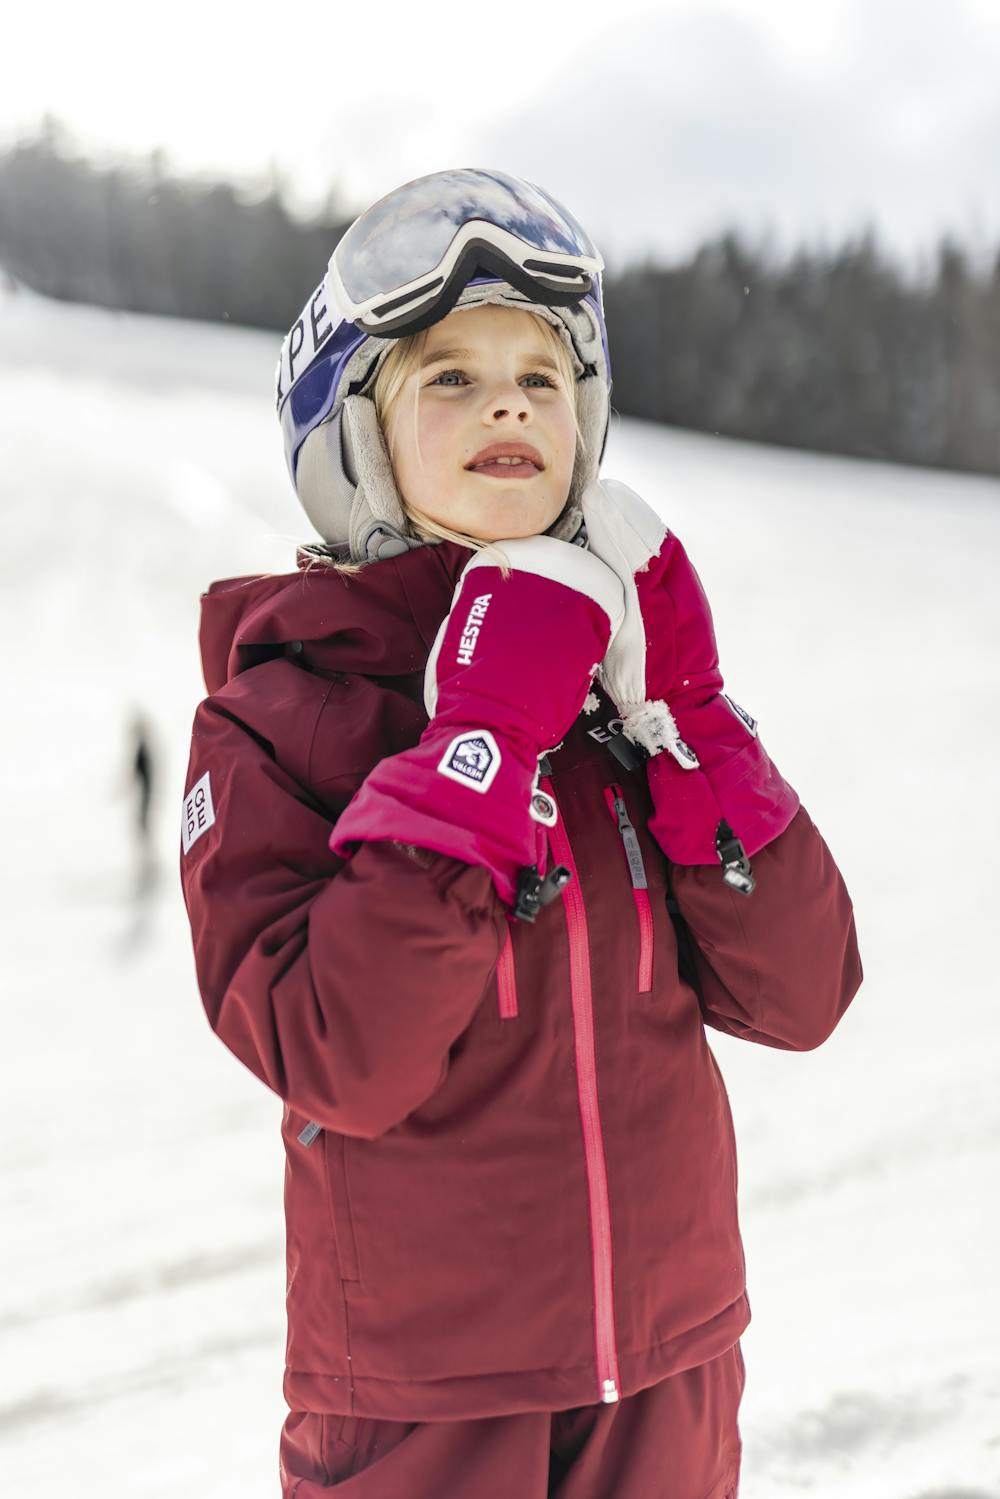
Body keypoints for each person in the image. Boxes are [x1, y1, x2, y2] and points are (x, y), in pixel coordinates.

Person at [179, 168, 863, 1498]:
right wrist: (479, 738)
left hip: (668, 1371)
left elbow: (803, 991)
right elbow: (341, 1051)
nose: (508, 402)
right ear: (354, 439)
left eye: (543, 380)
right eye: (448, 378)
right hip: (428, 1399)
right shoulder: (277, 719)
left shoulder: (619, 702)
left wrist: (691, 720)